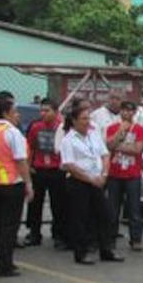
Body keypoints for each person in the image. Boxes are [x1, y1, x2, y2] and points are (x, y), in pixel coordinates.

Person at [60, 104, 122, 265]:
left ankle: (106, 249)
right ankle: (81, 253)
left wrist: (103, 174)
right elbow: (69, 165)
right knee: (81, 219)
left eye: (88, 118)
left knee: (106, 215)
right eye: (83, 118)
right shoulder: (68, 140)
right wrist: (90, 178)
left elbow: (105, 154)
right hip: (79, 182)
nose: (87, 122)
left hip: (97, 180)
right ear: (74, 121)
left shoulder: (93, 134)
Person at [0, 96, 33, 277]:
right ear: (6, 113)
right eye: (15, 112)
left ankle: (3, 261)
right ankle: (5, 264)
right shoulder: (13, 133)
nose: (18, 115)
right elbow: (20, 160)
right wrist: (28, 183)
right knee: (10, 227)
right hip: (12, 183)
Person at [105, 100, 143, 251]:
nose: (127, 113)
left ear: (134, 113)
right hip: (114, 173)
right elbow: (109, 146)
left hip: (132, 174)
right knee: (112, 208)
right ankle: (110, 238)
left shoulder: (140, 130)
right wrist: (119, 133)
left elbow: (137, 150)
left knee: (134, 208)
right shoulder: (112, 128)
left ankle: (136, 239)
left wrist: (118, 146)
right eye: (124, 110)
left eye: (130, 111)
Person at [25, 98, 66, 249]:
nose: (43, 113)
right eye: (41, 110)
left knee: (58, 204)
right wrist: (29, 165)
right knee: (35, 203)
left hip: (57, 169)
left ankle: (59, 234)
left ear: (55, 112)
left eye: (47, 110)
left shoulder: (61, 127)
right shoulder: (36, 127)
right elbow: (30, 146)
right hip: (39, 168)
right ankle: (34, 233)